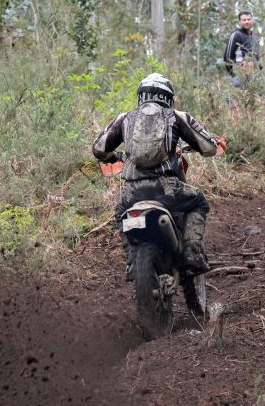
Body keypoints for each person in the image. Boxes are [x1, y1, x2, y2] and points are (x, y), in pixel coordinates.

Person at [92, 73, 224, 281]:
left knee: (121, 213)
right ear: (168, 97)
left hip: (132, 193)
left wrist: (113, 156)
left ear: (141, 96)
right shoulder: (177, 116)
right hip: (167, 189)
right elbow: (208, 148)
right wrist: (211, 144)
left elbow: (98, 149)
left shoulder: (124, 118)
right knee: (198, 202)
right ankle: (192, 253)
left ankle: (133, 261)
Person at [223, 11, 261, 88]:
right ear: (239, 22)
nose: (246, 22)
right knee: (235, 99)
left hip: (252, 75)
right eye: (244, 20)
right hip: (239, 75)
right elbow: (227, 57)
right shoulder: (236, 35)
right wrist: (234, 75)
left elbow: (256, 57)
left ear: (252, 20)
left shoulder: (255, 37)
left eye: (248, 19)